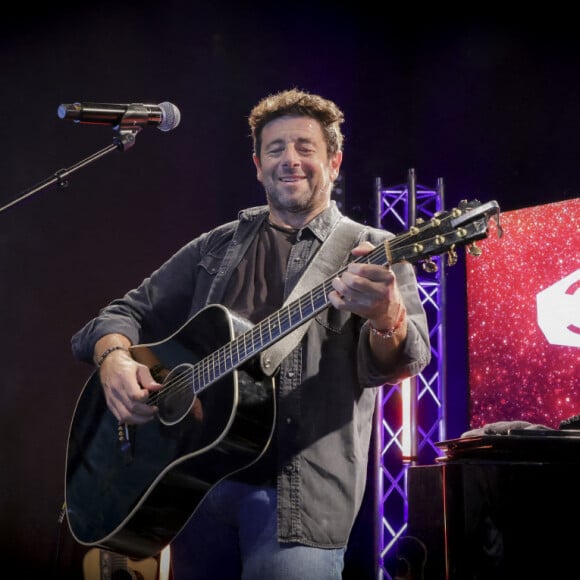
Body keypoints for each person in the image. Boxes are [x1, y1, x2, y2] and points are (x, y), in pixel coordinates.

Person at [71, 88, 431, 579]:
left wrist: (386, 315)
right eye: (276, 148)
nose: (290, 160)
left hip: (300, 504)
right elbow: (122, 311)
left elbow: (405, 360)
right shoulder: (216, 248)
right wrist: (113, 358)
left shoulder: (373, 251)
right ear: (258, 165)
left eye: (306, 147)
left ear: (335, 161)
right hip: (196, 490)